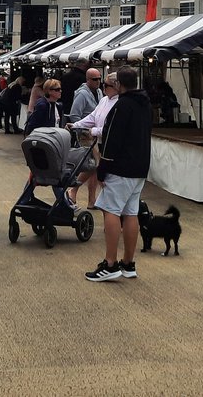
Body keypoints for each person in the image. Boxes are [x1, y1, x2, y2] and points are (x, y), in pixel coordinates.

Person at [84, 66, 152, 283]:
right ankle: (128, 262)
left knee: (110, 210)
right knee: (130, 213)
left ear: (119, 85)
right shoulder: (145, 103)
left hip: (121, 167)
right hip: (140, 166)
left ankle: (110, 263)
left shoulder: (122, 106)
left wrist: (103, 166)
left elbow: (112, 138)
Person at [69, 71, 120, 208]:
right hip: (91, 137)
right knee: (93, 166)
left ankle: (91, 199)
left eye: (103, 82)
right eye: (96, 80)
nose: (100, 84)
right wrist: (77, 126)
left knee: (96, 169)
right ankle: (76, 191)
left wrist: (92, 130)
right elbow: (89, 116)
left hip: (103, 140)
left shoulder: (111, 99)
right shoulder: (96, 97)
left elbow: (112, 128)